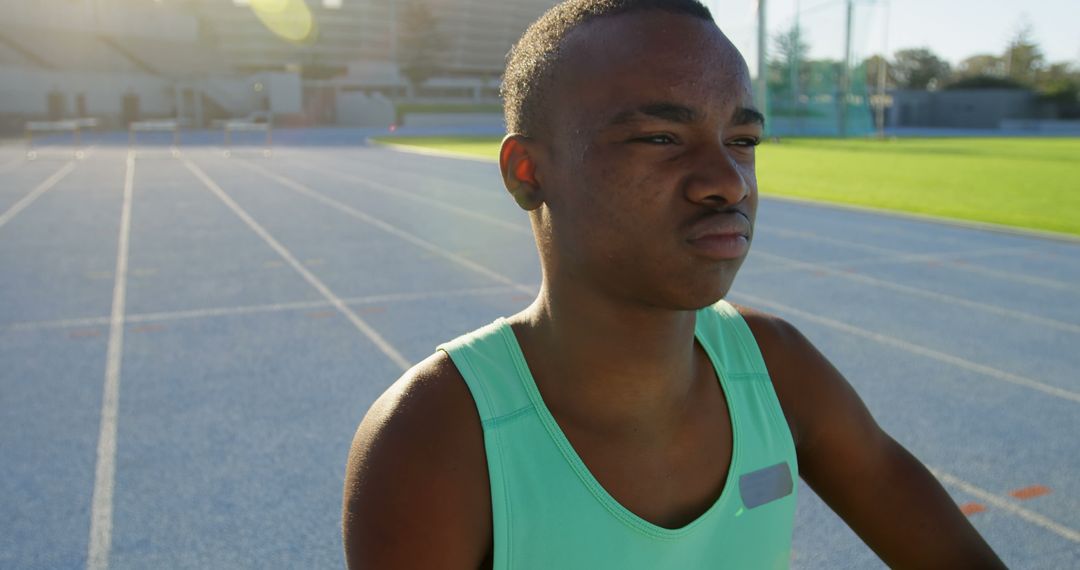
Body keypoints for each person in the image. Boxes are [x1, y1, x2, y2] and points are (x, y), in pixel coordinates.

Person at [342, 1, 1005, 568]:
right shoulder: (435, 436)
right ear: (527, 172)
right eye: (660, 137)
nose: (728, 180)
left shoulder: (777, 369)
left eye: (742, 139)